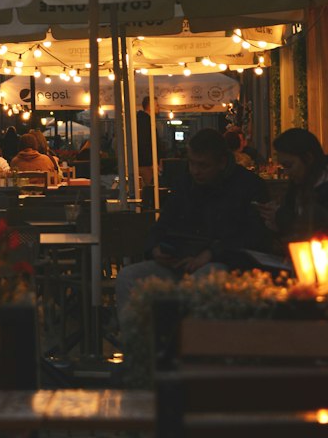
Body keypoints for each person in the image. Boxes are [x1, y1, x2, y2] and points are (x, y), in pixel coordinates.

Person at [115, 128, 271, 326]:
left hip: (226, 264)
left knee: (207, 278)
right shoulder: (186, 183)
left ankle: (192, 349)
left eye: (203, 165)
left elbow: (253, 235)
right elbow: (163, 223)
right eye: (192, 163)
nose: (195, 170)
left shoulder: (247, 186)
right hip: (178, 262)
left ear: (222, 162)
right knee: (128, 277)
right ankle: (141, 349)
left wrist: (212, 253)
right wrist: (155, 249)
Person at [259, 127, 328, 242]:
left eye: (289, 165)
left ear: (308, 158)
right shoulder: (297, 185)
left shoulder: (322, 188)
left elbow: (313, 229)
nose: (286, 173)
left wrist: (280, 217)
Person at [135, 97, 158, 189]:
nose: (158, 107)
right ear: (150, 106)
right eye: (157, 105)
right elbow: (145, 142)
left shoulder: (140, 120)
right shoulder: (146, 121)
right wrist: (151, 162)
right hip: (145, 163)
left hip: (141, 161)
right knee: (150, 187)